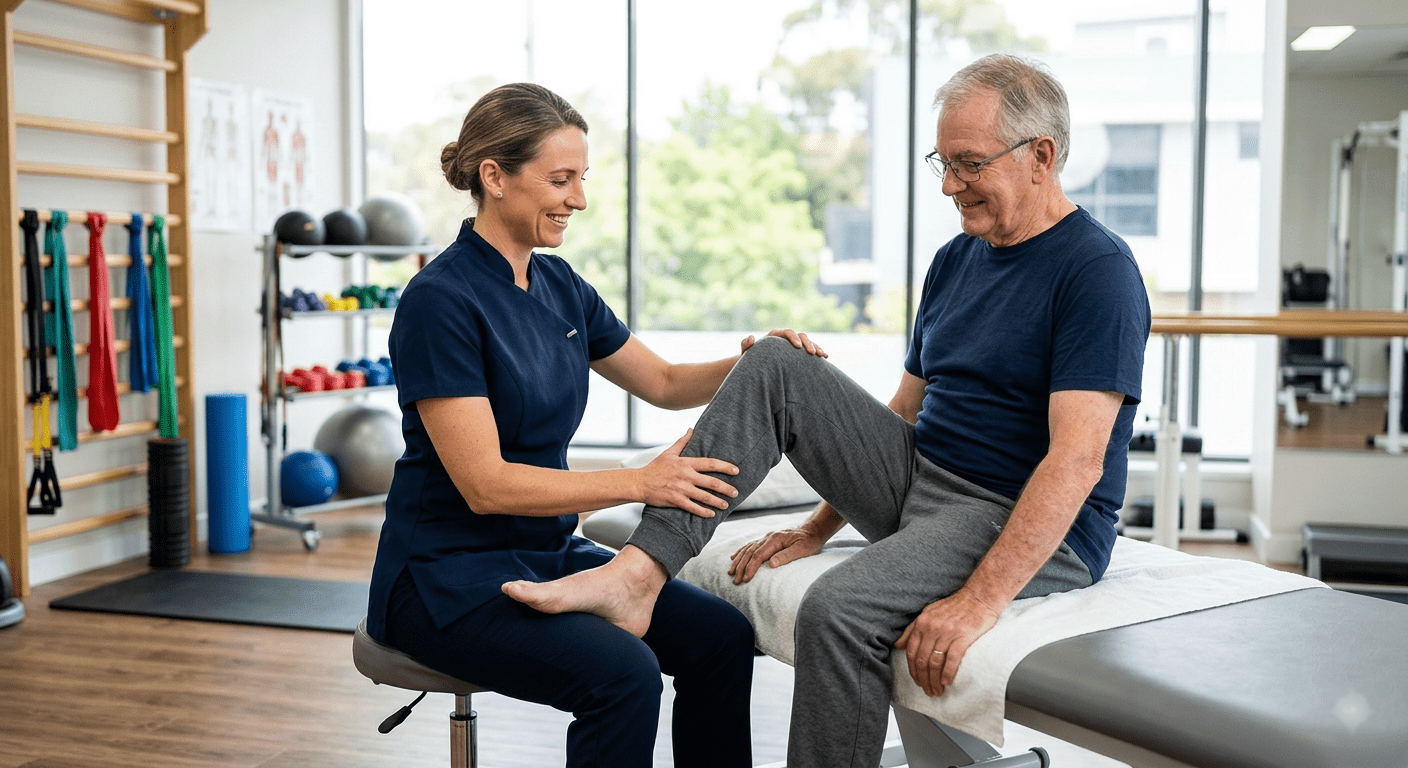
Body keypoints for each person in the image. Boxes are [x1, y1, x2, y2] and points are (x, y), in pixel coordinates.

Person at [503, 54, 1152, 767]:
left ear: (1042, 156)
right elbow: (907, 409)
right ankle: (640, 572)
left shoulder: (1096, 271)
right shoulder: (957, 259)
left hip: (1012, 507)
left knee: (838, 609)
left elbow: (1077, 460)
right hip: (925, 482)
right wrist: (818, 526)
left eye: (969, 164)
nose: (950, 186)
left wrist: (977, 603)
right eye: (943, 162)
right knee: (777, 361)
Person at [365, 82, 827, 768]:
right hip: (445, 579)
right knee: (622, 676)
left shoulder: (561, 287)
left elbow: (665, 383)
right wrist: (642, 482)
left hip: (548, 555)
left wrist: (755, 361)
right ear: (494, 177)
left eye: (581, 179)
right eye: (560, 179)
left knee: (722, 640)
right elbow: (485, 485)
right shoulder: (441, 301)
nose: (578, 199)